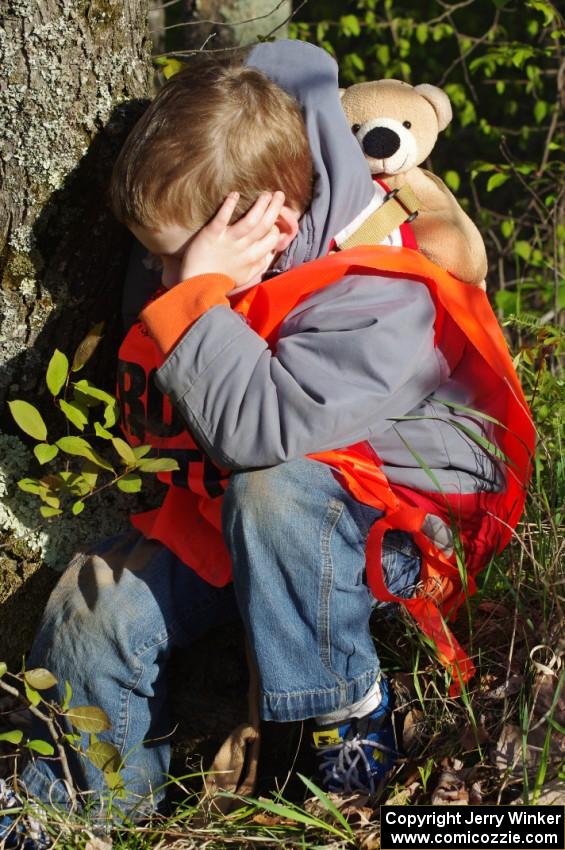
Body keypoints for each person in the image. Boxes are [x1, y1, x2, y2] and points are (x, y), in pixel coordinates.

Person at [1, 39, 532, 844]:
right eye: (153, 253)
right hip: (239, 509)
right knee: (94, 598)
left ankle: (342, 724)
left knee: (272, 488)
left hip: (383, 528)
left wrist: (195, 294)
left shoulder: (377, 289)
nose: (156, 270)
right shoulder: (208, 255)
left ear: (268, 224)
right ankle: (77, 804)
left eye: (170, 253)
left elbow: (263, 435)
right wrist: (194, 279)